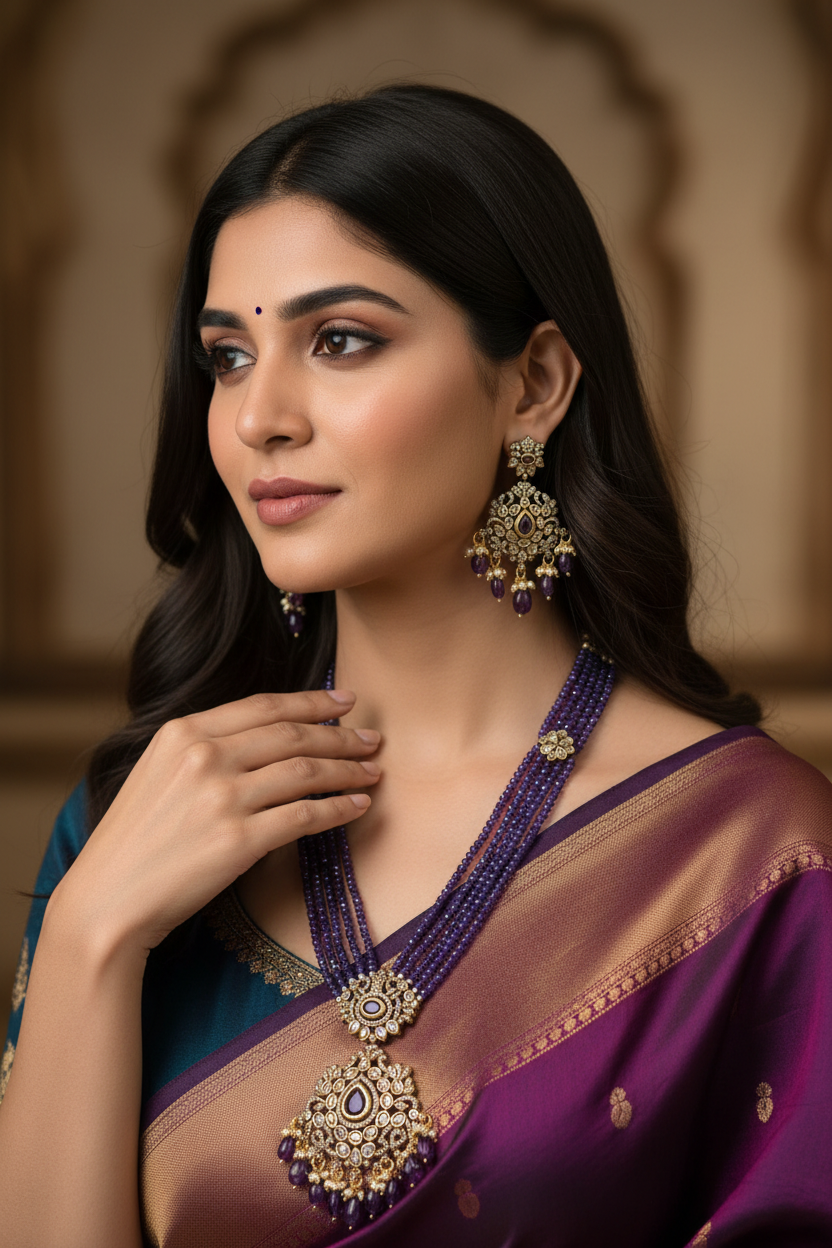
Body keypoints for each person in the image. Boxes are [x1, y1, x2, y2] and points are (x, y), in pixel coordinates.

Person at [1, 84, 830, 1248]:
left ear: (532, 384)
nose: (258, 419)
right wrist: (90, 936)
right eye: (227, 358)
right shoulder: (141, 823)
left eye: (339, 341)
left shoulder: (754, 855)